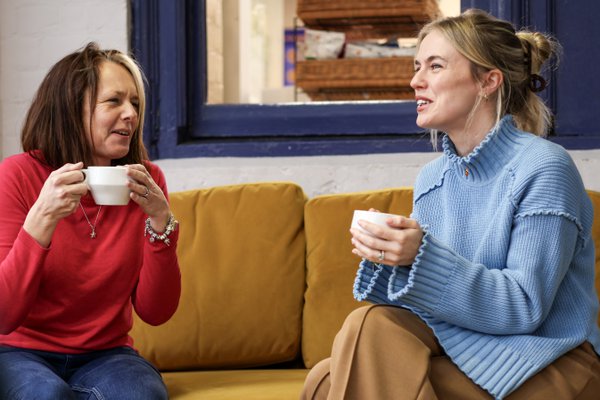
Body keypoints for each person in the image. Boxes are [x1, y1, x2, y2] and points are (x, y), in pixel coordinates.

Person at [301, 9, 600, 400]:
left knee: (330, 381)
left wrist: (419, 258)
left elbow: (523, 307)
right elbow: (433, 307)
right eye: (416, 66)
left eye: (435, 66)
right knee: (361, 334)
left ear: (487, 81)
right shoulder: (432, 179)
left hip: (548, 363)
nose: (415, 81)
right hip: (469, 354)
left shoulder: (543, 167)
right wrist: (392, 256)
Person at [0, 42, 181, 399]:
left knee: (144, 395)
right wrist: (42, 220)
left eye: (135, 103)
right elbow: (4, 315)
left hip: (107, 354)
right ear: (70, 109)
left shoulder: (147, 181)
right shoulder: (18, 175)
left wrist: (162, 227)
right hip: (18, 352)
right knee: (46, 395)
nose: (131, 114)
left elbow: (156, 312)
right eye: (114, 101)